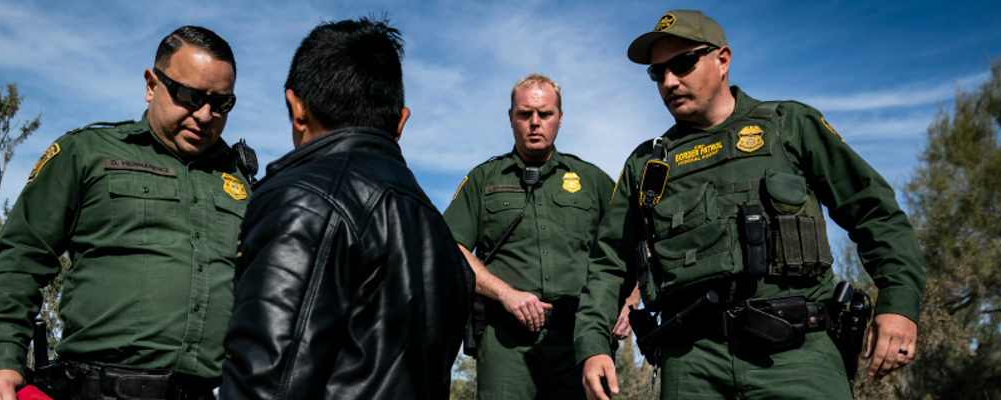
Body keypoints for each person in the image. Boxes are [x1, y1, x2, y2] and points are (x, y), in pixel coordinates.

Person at [576, 9, 927, 400]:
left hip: (796, 356)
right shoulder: (647, 164)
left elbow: (874, 212)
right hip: (692, 366)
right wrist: (592, 346)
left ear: (722, 59)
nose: (669, 82)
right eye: (657, 73)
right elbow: (608, 264)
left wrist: (898, 302)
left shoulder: (788, 125)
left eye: (682, 64)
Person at [0, 26, 250, 400]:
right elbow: (20, 259)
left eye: (221, 104)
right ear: (152, 84)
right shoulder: (85, 153)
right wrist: (1, 363)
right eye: (190, 96)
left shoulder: (241, 182)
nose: (204, 115)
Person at [218, 17, 474, 400]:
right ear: (400, 121)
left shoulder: (305, 198)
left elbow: (265, 385)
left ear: (296, 107)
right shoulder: (437, 231)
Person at [442, 74, 621, 399]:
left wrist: (629, 303)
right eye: (525, 114)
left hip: (580, 343)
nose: (534, 123)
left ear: (560, 118)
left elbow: (632, 242)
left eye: (545, 113)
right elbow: (449, 249)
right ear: (511, 118)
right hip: (505, 345)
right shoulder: (483, 180)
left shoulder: (593, 180)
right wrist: (506, 294)